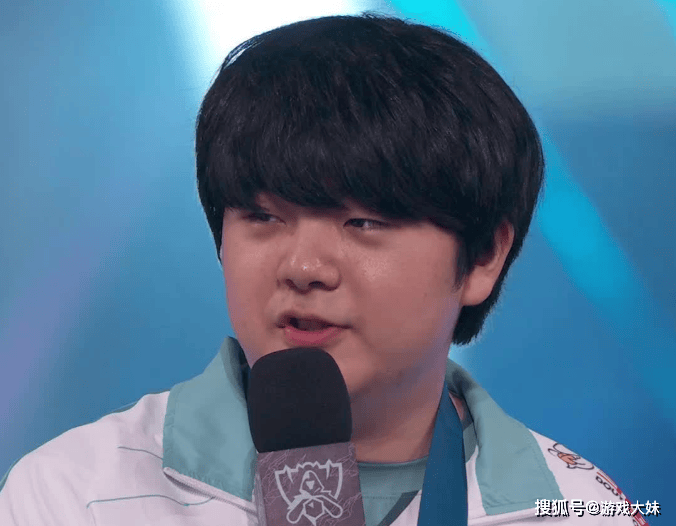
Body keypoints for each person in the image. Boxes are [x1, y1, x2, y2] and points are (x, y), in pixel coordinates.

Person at [0, 12, 647, 526]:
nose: (303, 267)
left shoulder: (578, 509)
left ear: (483, 257)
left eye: (362, 223)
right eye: (263, 217)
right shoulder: (73, 494)